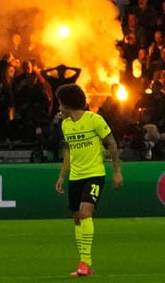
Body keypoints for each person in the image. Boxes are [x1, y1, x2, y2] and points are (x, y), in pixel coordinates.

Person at [55, 82, 123, 277]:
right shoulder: (66, 125)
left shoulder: (94, 119)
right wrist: (62, 175)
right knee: (77, 218)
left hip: (94, 174)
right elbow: (68, 152)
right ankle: (84, 263)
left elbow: (111, 142)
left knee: (85, 213)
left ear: (67, 104)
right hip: (75, 176)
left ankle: (85, 263)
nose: (59, 108)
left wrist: (116, 171)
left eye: (60, 104)